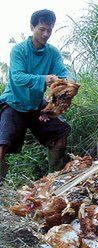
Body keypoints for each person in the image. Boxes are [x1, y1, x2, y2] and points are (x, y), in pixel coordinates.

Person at [0, 9, 72, 182]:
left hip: (35, 106)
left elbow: (63, 72)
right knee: (1, 145)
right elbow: (18, 78)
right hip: (14, 103)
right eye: (42, 29)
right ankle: (1, 187)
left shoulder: (52, 53)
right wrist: (44, 79)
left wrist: (69, 84)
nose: (46, 34)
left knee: (60, 135)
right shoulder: (19, 51)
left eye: (49, 30)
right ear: (32, 27)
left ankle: (55, 179)